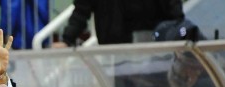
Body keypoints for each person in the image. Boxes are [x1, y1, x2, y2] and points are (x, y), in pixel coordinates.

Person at [54, 0, 184, 47]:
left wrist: (179, 33)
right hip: (114, 48)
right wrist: (67, 40)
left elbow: (173, 9)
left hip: (153, 46)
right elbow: (81, 10)